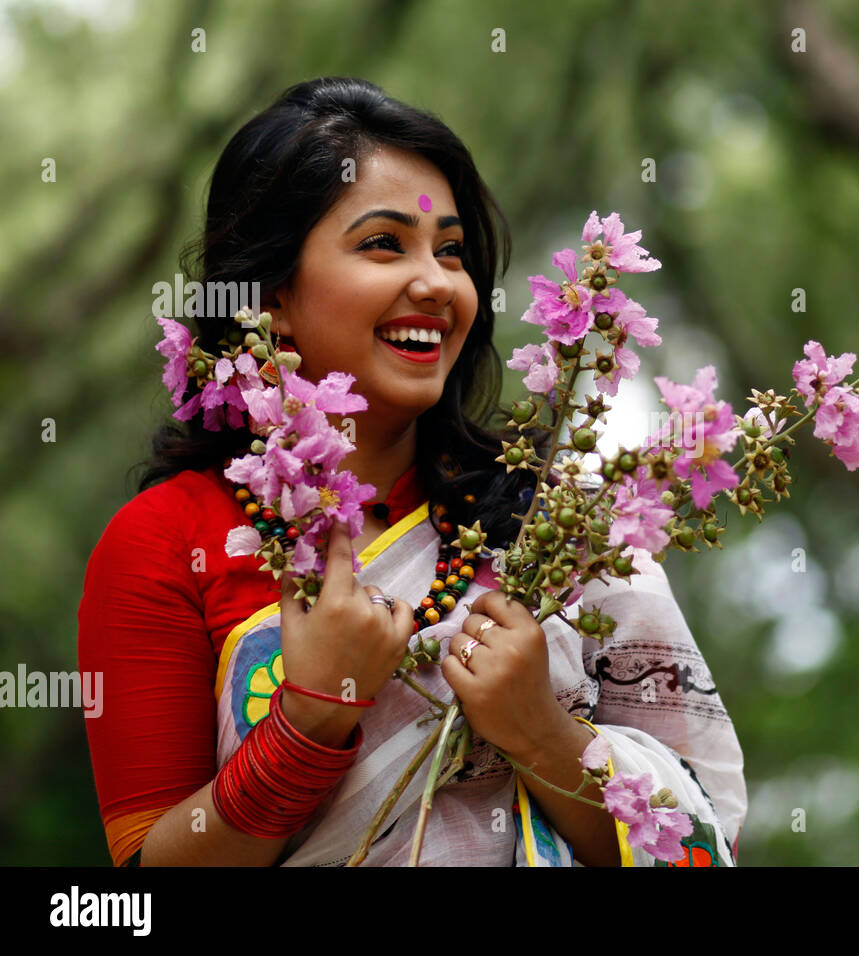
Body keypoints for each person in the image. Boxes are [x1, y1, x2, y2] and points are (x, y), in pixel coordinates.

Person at [77, 76, 746, 867]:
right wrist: (311, 721)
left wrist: (542, 732)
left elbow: (704, 844)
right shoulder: (165, 542)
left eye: (453, 251)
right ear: (270, 297)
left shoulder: (562, 529)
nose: (436, 283)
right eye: (384, 243)